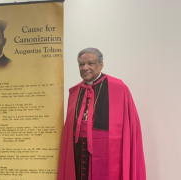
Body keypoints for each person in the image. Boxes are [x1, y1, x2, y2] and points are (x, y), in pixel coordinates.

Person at [58, 48, 146, 180]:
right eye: (81, 64)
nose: (85, 67)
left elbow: (130, 126)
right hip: (79, 151)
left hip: (108, 153)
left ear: (101, 65)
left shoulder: (118, 88)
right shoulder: (75, 91)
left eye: (90, 63)